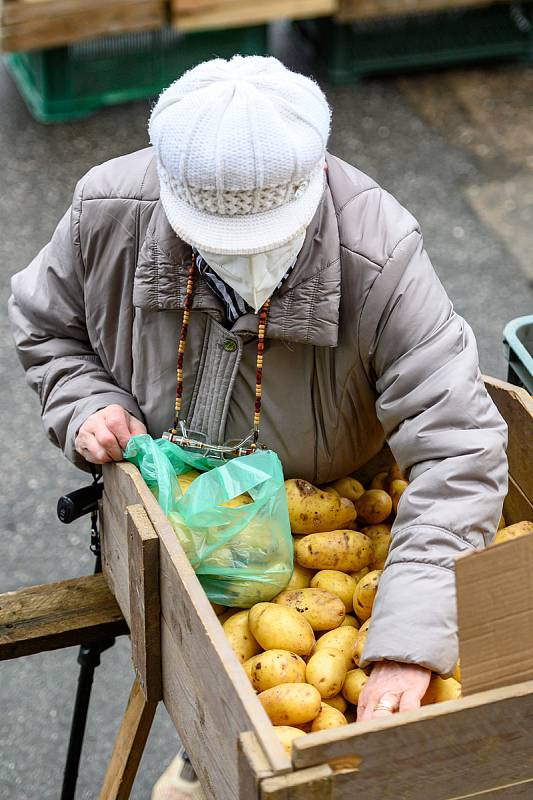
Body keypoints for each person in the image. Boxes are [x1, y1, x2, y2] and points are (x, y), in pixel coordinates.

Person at [8, 55, 507, 799]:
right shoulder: (106, 209)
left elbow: (457, 447)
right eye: (217, 242)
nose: (244, 264)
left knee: (273, 740)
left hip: (326, 529)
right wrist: (85, 403)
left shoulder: (379, 253)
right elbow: (49, 329)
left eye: (265, 240)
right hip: (174, 527)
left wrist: (405, 646)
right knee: (205, 693)